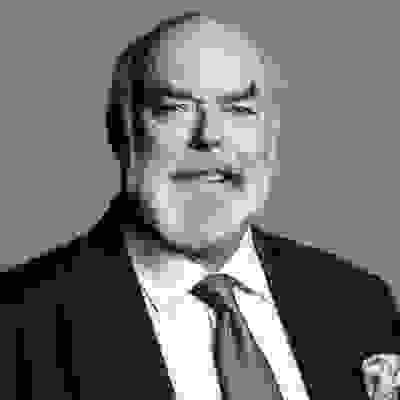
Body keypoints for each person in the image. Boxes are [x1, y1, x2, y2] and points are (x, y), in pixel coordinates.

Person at [1, 11, 398, 400]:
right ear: (121, 130)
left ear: (271, 135)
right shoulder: (16, 322)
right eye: (173, 108)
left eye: (239, 110)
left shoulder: (357, 301)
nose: (209, 135)